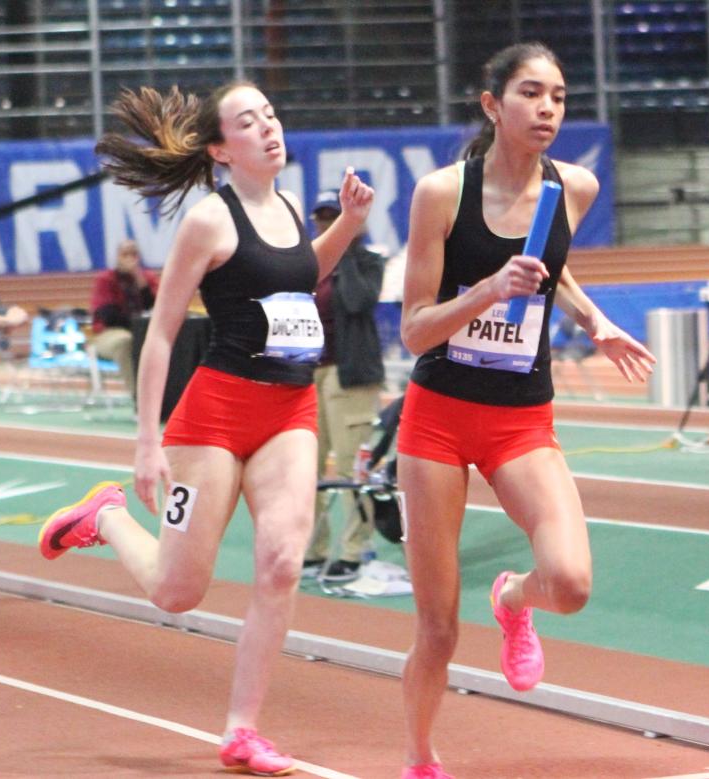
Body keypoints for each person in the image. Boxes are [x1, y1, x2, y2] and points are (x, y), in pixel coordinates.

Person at [37, 81, 373, 776]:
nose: (270, 129)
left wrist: (347, 221)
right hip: (215, 415)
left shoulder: (285, 207)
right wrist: (146, 441)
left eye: (273, 115)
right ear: (221, 150)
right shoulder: (208, 223)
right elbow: (159, 336)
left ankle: (242, 730)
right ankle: (103, 518)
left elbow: (305, 271)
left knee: (282, 563)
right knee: (177, 592)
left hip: (290, 410)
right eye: (249, 123)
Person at [395, 43, 656, 779]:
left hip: (520, 417)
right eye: (531, 94)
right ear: (492, 105)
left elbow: (553, 262)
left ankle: (512, 597)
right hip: (439, 413)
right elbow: (414, 328)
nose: (547, 109)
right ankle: (420, 759)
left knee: (569, 581)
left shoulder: (575, 185)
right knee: (438, 629)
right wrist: (486, 290)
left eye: (559, 97)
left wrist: (593, 318)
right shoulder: (440, 193)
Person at [303, 190, 386, 583]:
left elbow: (356, 302)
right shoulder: (306, 263)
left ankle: (354, 549)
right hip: (308, 375)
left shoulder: (368, 261)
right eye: (321, 218)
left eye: (333, 217)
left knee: (355, 465)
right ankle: (313, 547)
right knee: (307, 468)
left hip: (350, 374)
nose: (326, 223)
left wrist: (347, 246)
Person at [90, 238, 159, 397]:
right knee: (125, 342)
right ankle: (139, 398)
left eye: (133, 254)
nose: (129, 258)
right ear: (117, 256)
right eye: (125, 254)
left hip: (143, 332)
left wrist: (140, 282)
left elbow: (155, 306)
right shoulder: (106, 280)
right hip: (109, 334)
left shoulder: (147, 279)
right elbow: (108, 316)